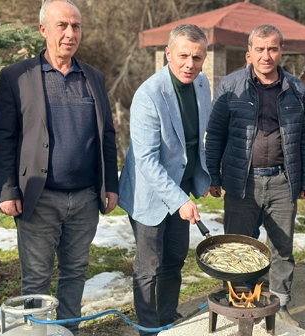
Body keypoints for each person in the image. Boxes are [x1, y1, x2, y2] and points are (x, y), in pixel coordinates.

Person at [0, 1, 118, 333]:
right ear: (43, 30)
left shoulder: (93, 77)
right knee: (35, 279)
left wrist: (111, 185)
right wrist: (6, 189)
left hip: (86, 198)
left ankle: (67, 331)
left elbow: (106, 134)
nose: (70, 33)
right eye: (62, 25)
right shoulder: (17, 76)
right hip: (39, 198)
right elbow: (5, 137)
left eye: (76, 26)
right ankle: (35, 333)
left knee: (75, 273)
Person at [205, 24, 305, 324]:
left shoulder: (296, 89)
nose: (267, 55)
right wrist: (213, 176)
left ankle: (280, 306)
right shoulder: (231, 87)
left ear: (281, 51)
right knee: (239, 246)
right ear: (249, 53)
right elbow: (215, 134)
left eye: (273, 49)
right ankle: (242, 304)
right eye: (261, 49)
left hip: (282, 181)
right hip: (242, 182)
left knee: (282, 248)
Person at [117, 24, 211, 334]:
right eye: (183, 56)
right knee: (149, 267)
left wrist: (204, 178)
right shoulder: (148, 95)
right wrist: (180, 200)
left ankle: (168, 319)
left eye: (197, 58)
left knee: (174, 257)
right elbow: (146, 160)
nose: (190, 64)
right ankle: (147, 327)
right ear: (168, 54)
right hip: (149, 192)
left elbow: (197, 140)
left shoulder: (201, 84)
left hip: (181, 188)